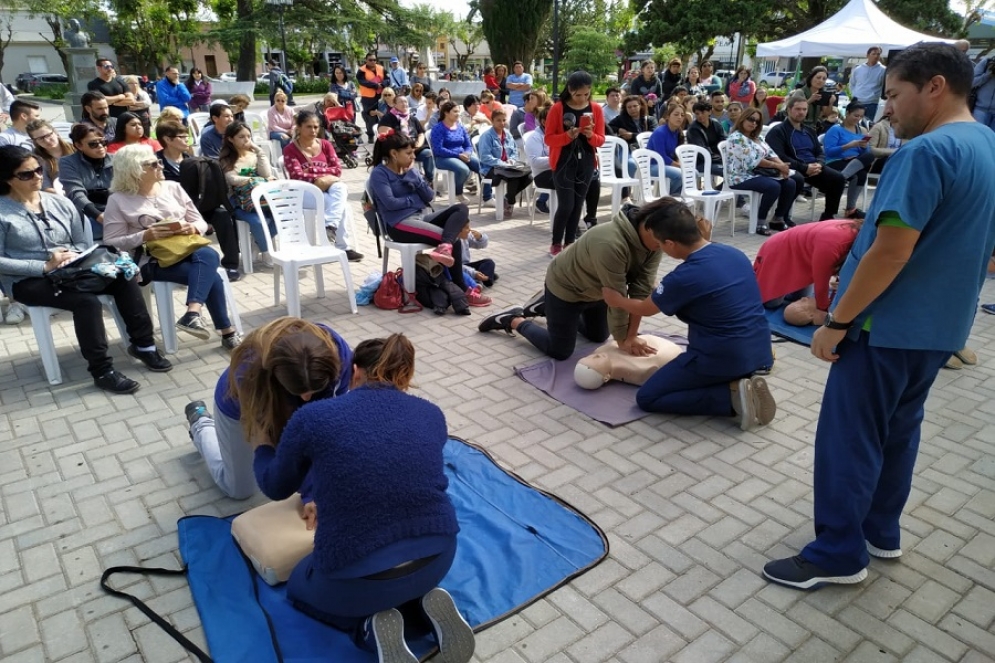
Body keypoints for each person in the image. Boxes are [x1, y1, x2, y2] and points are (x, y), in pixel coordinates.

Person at [762, 43, 995, 590]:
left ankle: (838, 554)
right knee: (898, 431)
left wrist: (836, 321)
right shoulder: (985, 142)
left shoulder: (925, 153)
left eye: (893, 95)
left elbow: (892, 250)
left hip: (883, 327)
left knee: (850, 438)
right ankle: (879, 531)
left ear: (934, 86)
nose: (886, 108)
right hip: (939, 328)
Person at [252, 333, 475, 663]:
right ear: (407, 375)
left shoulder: (312, 418)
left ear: (354, 371)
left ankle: (369, 630)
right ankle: (423, 613)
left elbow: (275, 486)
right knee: (398, 579)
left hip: (355, 578)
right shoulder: (432, 414)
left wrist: (262, 446)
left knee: (300, 587)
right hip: (439, 557)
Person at [0, 145, 171, 393]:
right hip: (27, 279)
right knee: (86, 302)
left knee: (123, 276)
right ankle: (102, 370)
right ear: (6, 179)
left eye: (38, 170)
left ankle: (144, 345)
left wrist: (77, 256)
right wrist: (44, 265)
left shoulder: (60, 203)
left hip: (73, 268)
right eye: (26, 174)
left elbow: (81, 241)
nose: (37, 177)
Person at [600, 201, 775, 430]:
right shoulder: (732, 253)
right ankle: (740, 382)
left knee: (648, 398)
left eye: (659, 243)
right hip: (759, 350)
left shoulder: (683, 276)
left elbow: (646, 309)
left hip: (719, 358)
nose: (659, 248)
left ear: (670, 243)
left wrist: (617, 300)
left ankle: (732, 398)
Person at [477, 197, 665, 361]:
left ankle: (545, 307)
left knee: (598, 336)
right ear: (648, 228)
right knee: (560, 351)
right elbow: (617, 299)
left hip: (597, 292)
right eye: (661, 243)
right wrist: (624, 340)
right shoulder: (610, 242)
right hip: (566, 289)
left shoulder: (655, 241)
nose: (663, 248)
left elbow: (640, 290)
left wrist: (630, 336)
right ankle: (512, 319)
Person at [185, 317, 351, 499]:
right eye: (299, 391)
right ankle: (201, 424)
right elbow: (273, 441)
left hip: (278, 397)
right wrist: (309, 493)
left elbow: (329, 424)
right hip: (238, 407)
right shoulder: (248, 371)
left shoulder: (340, 354)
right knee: (239, 491)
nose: (307, 398)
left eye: (315, 390)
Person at [103, 144, 242, 352]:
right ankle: (224, 330)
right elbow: (112, 240)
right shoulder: (118, 200)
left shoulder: (172, 187)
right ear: (135, 170)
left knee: (208, 254)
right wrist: (144, 235)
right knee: (210, 272)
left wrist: (192, 227)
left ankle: (193, 314)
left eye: (158, 161)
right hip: (151, 260)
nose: (160, 165)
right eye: (153, 164)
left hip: (186, 249)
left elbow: (201, 223)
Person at [367, 131, 486, 304]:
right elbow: (391, 203)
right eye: (408, 153)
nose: (413, 156)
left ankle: (445, 247)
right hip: (399, 224)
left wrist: (417, 180)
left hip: (421, 218)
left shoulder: (410, 171)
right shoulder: (380, 174)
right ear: (394, 154)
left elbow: (429, 196)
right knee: (454, 239)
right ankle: (463, 288)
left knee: (460, 209)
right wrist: (415, 200)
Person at [283, 111, 364, 262]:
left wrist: (315, 174)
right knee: (342, 205)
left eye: (316, 127)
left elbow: (337, 170)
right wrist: (320, 178)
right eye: (308, 127)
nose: (313, 131)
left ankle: (331, 227)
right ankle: (342, 247)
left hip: (328, 186)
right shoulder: (290, 149)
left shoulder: (325, 145)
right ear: (299, 128)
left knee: (340, 189)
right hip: (304, 192)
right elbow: (296, 175)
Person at [753, 219, 862, 325]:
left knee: (797, 297)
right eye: (804, 302)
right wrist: (823, 308)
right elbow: (821, 283)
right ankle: (763, 283)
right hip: (778, 250)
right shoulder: (833, 244)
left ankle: (783, 288)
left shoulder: (854, 230)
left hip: (803, 255)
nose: (805, 299)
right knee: (772, 303)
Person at [544, 71, 605, 257]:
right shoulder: (558, 108)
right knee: (566, 205)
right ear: (570, 90)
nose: (582, 98)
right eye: (578, 94)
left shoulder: (595, 109)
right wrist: (568, 135)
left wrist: (590, 135)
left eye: (586, 94)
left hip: (585, 161)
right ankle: (556, 243)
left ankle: (570, 241)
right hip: (563, 161)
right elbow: (549, 139)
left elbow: (601, 139)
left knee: (578, 204)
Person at [766, 95, 846, 221]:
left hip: (813, 167)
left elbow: (820, 152)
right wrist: (804, 167)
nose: (801, 112)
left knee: (838, 178)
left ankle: (828, 216)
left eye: (804, 109)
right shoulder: (778, 131)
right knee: (797, 178)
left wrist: (819, 164)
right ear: (788, 110)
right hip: (792, 167)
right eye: (798, 109)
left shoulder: (809, 131)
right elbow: (778, 156)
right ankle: (781, 216)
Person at [723, 106, 798, 235]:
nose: (754, 123)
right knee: (773, 186)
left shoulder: (758, 138)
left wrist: (783, 167)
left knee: (790, 183)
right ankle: (760, 222)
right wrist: (778, 167)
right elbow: (754, 161)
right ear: (743, 119)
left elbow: (771, 154)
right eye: (751, 119)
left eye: (757, 121)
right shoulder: (736, 138)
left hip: (757, 174)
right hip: (739, 176)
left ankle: (778, 218)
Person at [217, 120, 280, 266]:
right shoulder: (226, 159)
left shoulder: (253, 155)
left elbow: (266, 173)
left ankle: (256, 244)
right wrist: (256, 179)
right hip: (239, 200)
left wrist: (259, 151)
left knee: (278, 218)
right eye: (241, 137)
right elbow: (232, 179)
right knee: (257, 221)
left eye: (248, 136)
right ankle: (266, 251)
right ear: (230, 139)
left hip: (260, 198)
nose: (246, 140)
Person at [60, 124, 114, 240]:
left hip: (115, 209)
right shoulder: (68, 163)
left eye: (103, 142)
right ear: (79, 145)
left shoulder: (116, 159)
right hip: (87, 213)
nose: (100, 146)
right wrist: (98, 216)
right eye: (93, 144)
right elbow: (76, 193)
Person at [476, 109, 532, 218]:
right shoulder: (487, 136)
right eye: (498, 120)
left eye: (504, 120)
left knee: (529, 176)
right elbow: (485, 157)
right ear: (492, 121)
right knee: (514, 178)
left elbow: (515, 151)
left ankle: (506, 199)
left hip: (508, 167)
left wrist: (512, 160)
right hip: (491, 168)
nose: (502, 123)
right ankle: (510, 202)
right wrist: (502, 163)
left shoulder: (508, 134)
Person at [823, 103, 875, 218]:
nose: (858, 119)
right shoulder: (836, 129)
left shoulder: (862, 131)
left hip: (853, 162)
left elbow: (865, 154)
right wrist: (849, 146)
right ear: (847, 113)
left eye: (861, 117)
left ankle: (849, 207)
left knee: (868, 159)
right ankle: (841, 179)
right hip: (836, 161)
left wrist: (863, 147)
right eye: (856, 116)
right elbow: (829, 152)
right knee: (859, 175)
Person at [430, 100, 482, 203]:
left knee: (482, 166)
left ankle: (486, 194)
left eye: (458, 111)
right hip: (443, 157)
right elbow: (438, 150)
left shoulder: (460, 127)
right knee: (464, 170)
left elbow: (468, 145)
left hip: (461, 154)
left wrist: (467, 153)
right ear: (446, 112)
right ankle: (458, 193)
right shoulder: (438, 128)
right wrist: (458, 155)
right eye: (455, 111)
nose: (458, 114)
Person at [377, 95, 433, 185]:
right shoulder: (388, 117)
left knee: (428, 154)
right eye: (401, 102)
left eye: (406, 102)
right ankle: (409, 181)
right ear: (394, 104)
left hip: (415, 148)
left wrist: (418, 144)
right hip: (399, 149)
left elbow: (421, 133)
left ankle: (429, 180)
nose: (404, 104)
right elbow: (382, 131)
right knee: (405, 157)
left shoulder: (412, 118)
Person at [644, 103, 688, 198]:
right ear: (668, 117)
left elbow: (678, 154)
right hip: (653, 165)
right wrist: (679, 166)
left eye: (682, 115)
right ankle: (669, 198)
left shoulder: (678, 133)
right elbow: (661, 157)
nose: (679, 117)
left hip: (667, 165)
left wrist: (681, 164)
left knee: (694, 172)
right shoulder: (660, 132)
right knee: (680, 174)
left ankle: (678, 195)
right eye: (676, 114)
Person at [27, 119, 74, 194]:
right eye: (41, 138)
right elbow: (45, 188)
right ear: (35, 141)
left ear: (55, 132)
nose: (47, 141)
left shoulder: (75, 148)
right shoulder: (35, 159)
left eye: (48, 135)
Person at [686, 100, 726, 178]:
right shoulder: (693, 129)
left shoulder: (716, 124)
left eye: (703, 112)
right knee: (726, 171)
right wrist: (720, 159)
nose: (700, 115)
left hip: (717, 159)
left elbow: (723, 142)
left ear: (709, 112)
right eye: (697, 114)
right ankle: (719, 189)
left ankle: (721, 189)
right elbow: (702, 151)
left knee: (735, 169)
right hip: (701, 162)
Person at [848, 46, 886, 122]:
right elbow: (852, 83)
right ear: (867, 55)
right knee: (854, 123)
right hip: (857, 101)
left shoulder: (883, 70)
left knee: (868, 124)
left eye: (878, 54)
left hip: (872, 103)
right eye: (874, 54)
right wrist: (854, 95)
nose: (876, 56)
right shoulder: (858, 69)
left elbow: (884, 86)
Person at [357, 52, 386, 142]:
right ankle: (370, 135)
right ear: (366, 60)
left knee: (383, 115)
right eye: (370, 60)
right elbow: (362, 81)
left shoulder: (381, 68)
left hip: (381, 97)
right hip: (368, 98)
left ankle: (382, 134)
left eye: (374, 60)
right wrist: (375, 85)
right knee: (370, 117)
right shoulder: (361, 70)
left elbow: (387, 79)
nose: (373, 61)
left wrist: (383, 84)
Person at [800, 66, 837, 130]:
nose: (820, 81)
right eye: (818, 77)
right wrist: (810, 100)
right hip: (800, 127)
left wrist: (830, 103)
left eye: (824, 79)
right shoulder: (800, 92)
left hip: (814, 128)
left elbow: (826, 114)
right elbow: (794, 110)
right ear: (811, 78)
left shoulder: (822, 94)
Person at [971, 54, 995, 131]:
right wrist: (988, 75)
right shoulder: (987, 62)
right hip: (980, 109)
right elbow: (972, 82)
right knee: (977, 135)